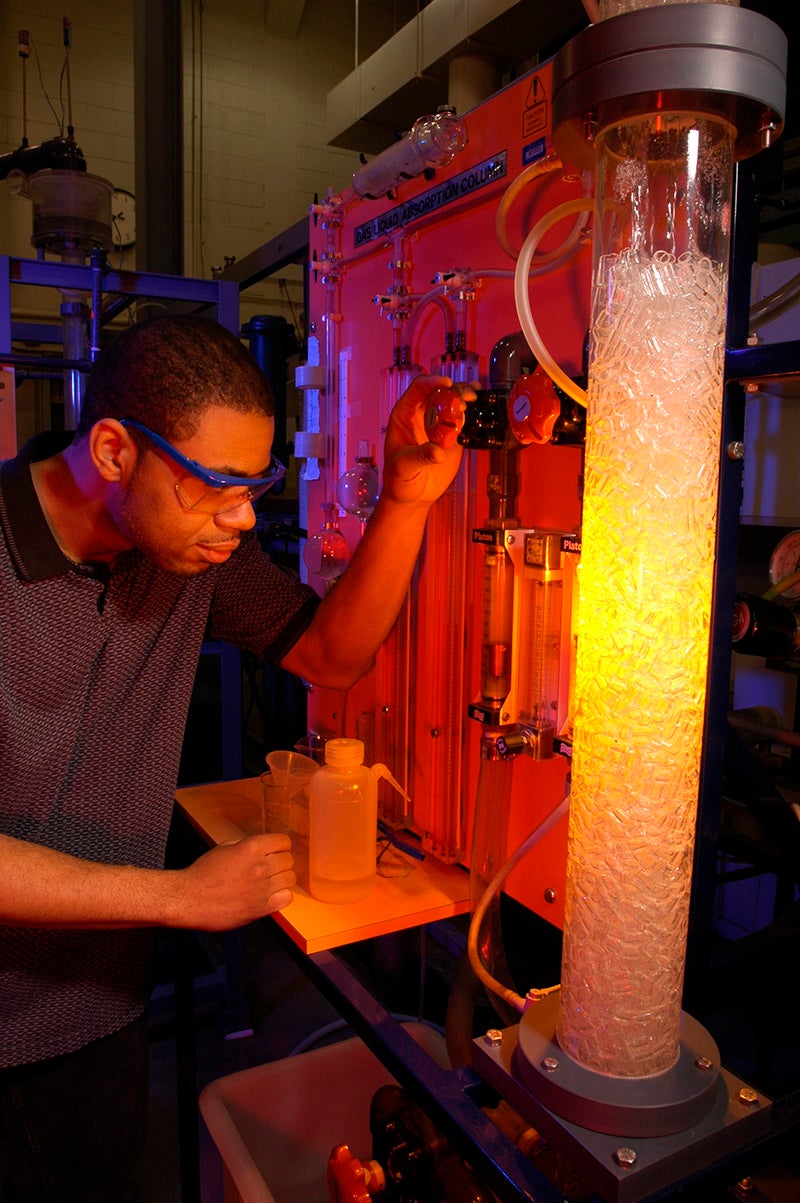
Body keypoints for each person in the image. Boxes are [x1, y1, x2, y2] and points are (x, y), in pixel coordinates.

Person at [0, 313, 471, 1202]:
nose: (243, 517)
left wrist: (405, 498)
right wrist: (179, 897)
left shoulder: (196, 557)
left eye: (256, 485)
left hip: (101, 1012)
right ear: (112, 452)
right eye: (218, 486)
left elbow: (333, 655)